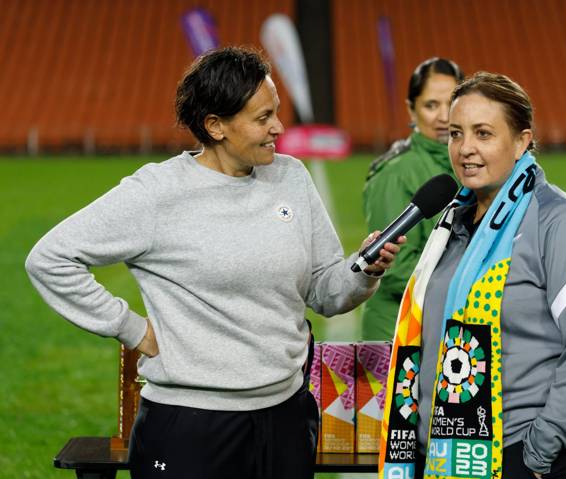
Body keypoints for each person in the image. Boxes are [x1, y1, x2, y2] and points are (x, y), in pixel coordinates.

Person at [25, 46, 403, 479]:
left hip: (287, 416)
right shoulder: (157, 192)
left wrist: (364, 269)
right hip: (190, 427)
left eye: (277, 112)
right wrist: (133, 330)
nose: (278, 128)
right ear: (215, 126)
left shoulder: (291, 176)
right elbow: (50, 259)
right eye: (263, 118)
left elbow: (324, 291)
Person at [379, 72, 566, 479]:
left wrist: (539, 452)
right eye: (456, 134)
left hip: (527, 456)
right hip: (448, 455)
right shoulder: (452, 220)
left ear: (522, 141)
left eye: (484, 134)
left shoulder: (557, 221)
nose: (466, 149)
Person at [362, 57, 463, 340]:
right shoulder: (395, 173)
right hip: (398, 333)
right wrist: (469, 283)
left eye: (453, 103)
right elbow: (395, 269)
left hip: (438, 326)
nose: (444, 116)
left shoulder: (470, 165)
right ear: (411, 109)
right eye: (431, 105)